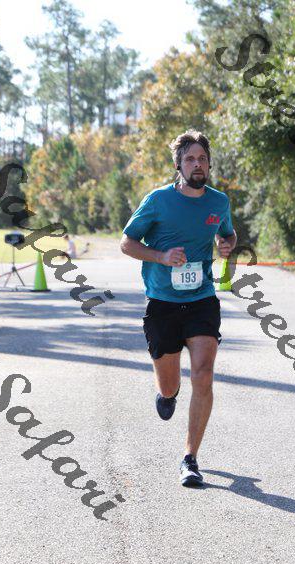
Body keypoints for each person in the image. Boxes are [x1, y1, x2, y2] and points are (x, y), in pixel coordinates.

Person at [120, 129, 237, 487]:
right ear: (178, 165)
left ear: (209, 164)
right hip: (163, 303)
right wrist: (161, 256)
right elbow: (127, 243)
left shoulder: (219, 202)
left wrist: (227, 244)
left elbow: (228, 233)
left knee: (203, 373)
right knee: (170, 385)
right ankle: (166, 394)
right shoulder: (158, 200)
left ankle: (190, 457)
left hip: (202, 299)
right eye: (190, 159)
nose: (197, 164)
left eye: (202, 158)